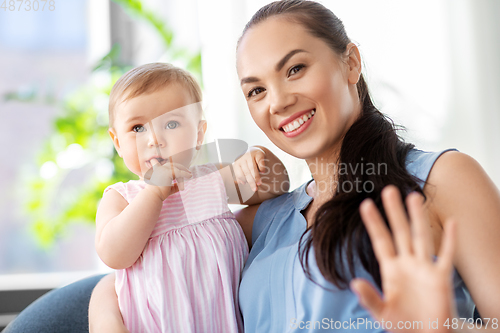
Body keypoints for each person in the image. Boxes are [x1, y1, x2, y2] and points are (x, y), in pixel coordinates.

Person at [4, 1, 500, 332]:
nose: (279, 100)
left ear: (351, 63)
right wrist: (106, 300)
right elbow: (146, 259)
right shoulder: (265, 220)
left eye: (295, 68)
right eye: (256, 89)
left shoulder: (440, 180)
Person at [89, 62, 290, 333]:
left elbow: (278, 187)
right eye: (138, 128)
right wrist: (154, 194)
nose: (155, 139)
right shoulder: (122, 198)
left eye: (171, 123)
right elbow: (114, 255)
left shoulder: (211, 180)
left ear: (198, 134)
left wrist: (256, 157)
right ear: (117, 142)